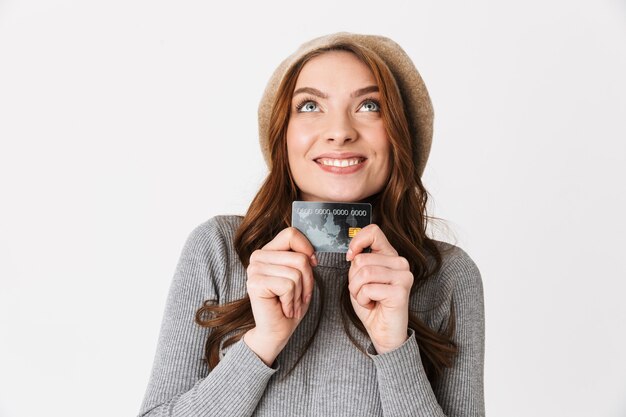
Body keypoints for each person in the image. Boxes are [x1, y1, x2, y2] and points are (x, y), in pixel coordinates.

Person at [137, 32, 485, 417]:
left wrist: (394, 347)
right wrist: (262, 342)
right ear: (282, 135)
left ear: (400, 135)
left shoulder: (450, 274)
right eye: (309, 106)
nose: (340, 131)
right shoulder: (218, 249)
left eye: (369, 105)